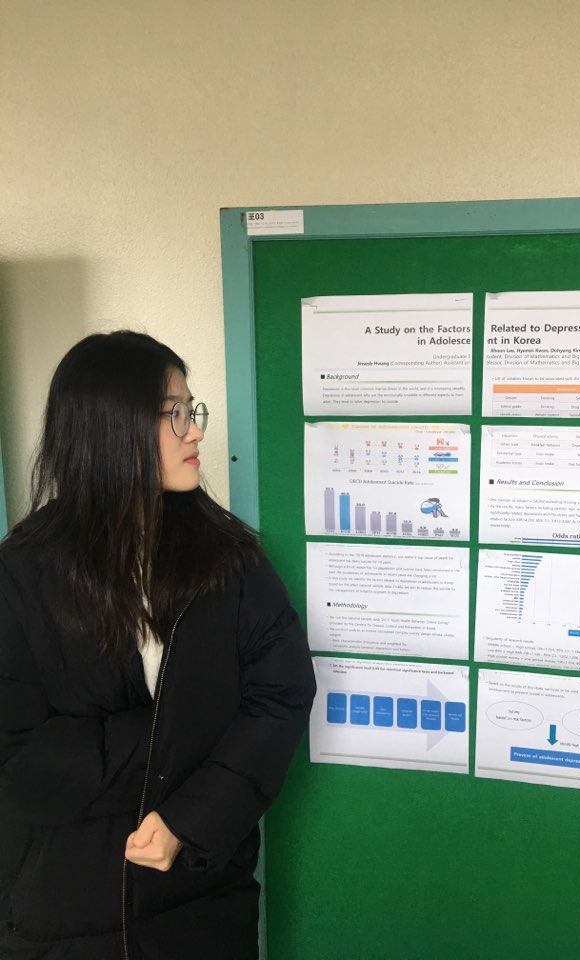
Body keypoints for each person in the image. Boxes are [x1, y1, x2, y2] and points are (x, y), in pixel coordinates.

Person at [0, 331, 316, 960]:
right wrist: (175, 739)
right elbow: (20, 754)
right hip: (65, 910)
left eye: (191, 410)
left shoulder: (229, 561)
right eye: (174, 413)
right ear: (109, 429)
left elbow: (279, 697)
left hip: (202, 899)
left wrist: (188, 819)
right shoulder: (22, 573)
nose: (195, 431)